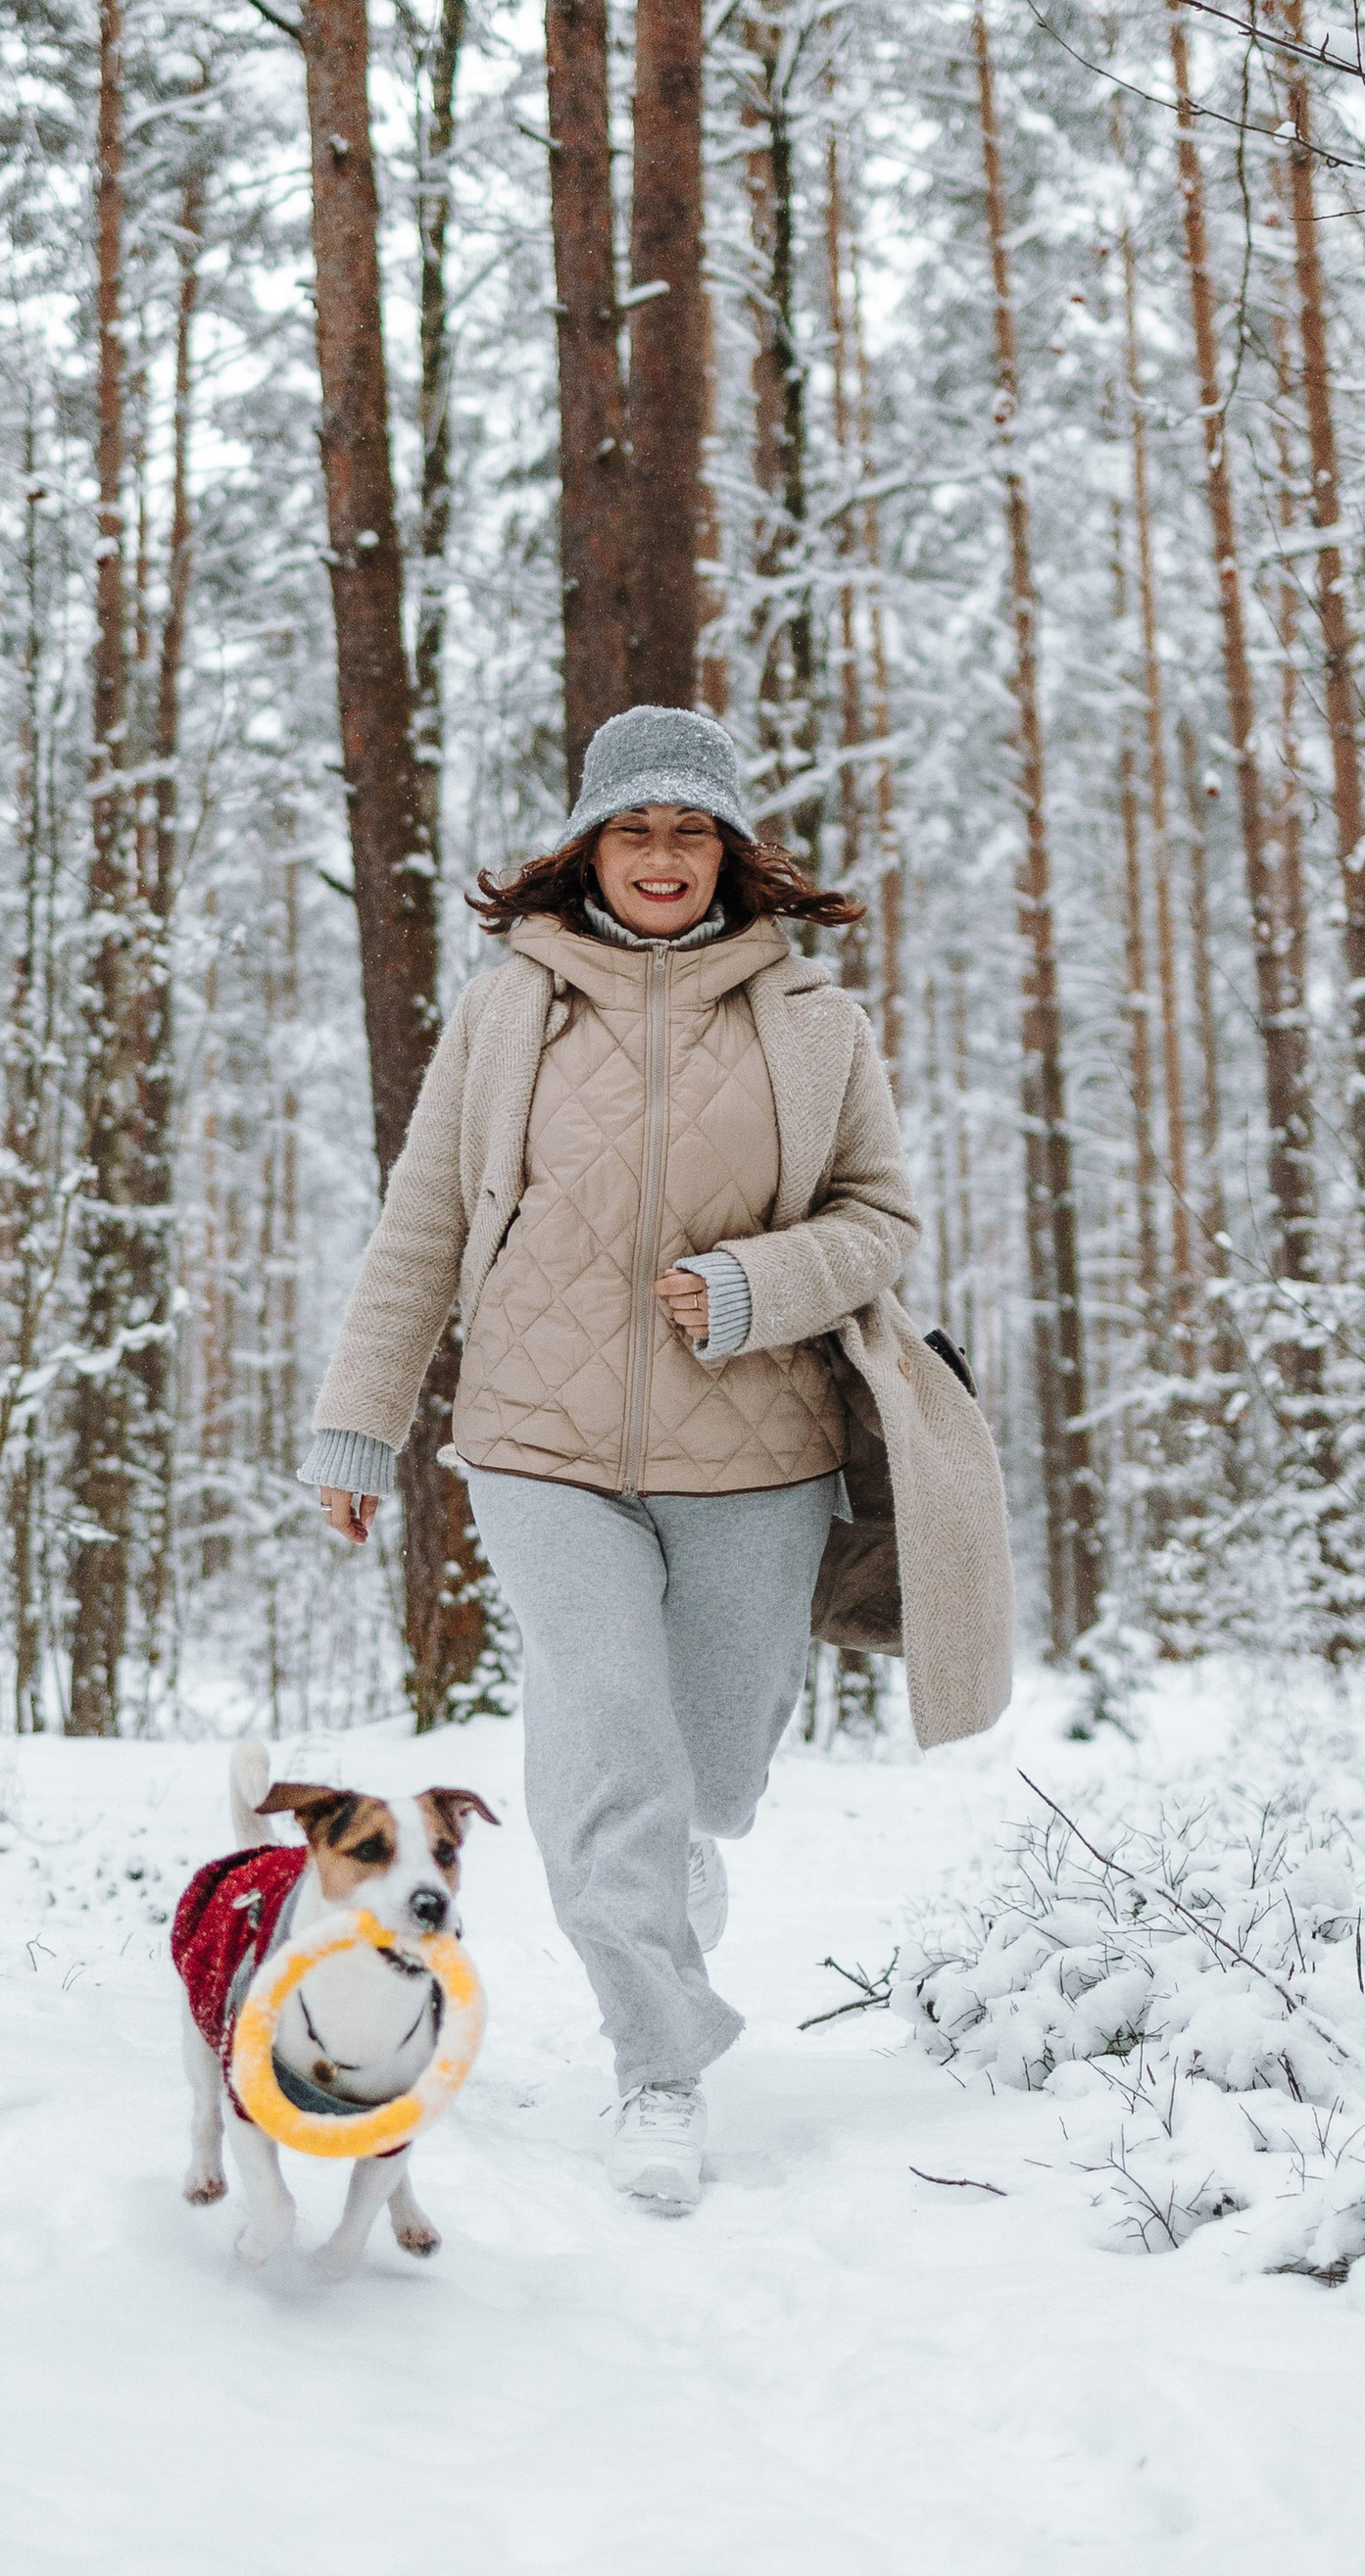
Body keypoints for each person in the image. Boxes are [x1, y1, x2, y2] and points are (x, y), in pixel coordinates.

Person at [300, 704, 1012, 2215]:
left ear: (733, 854)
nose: (664, 856)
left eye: (692, 830)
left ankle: (680, 1854)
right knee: (607, 1736)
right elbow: (424, 1220)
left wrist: (761, 1286)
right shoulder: (509, 1012)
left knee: (711, 1764)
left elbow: (882, 1222)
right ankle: (660, 2063)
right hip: (534, 1443)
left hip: (756, 1451)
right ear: (587, 849)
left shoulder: (816, 1021)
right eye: (637, 828)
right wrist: (361, 1417)